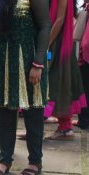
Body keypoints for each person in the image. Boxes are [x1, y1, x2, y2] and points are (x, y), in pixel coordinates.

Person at [0, 0, 50, 175]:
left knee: (33, 111)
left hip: (29, 61)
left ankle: (35, 161)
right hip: (4, 61)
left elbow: (45, 26)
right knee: (5, 110)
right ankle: (5, 160)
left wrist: (38, 63)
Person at [44, 0, 87, 140]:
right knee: (56, 79)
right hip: (53, 41)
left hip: (57, 44)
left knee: (54, 79)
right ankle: (63, 126)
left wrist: (45, 43)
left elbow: (60, 19)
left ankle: (64, 128)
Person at [72, 1, 89, 129]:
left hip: (86, 58)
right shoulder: (85, 8)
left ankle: (83, 121)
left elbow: (85, 43)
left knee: (84, 89)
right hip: (84, 57)